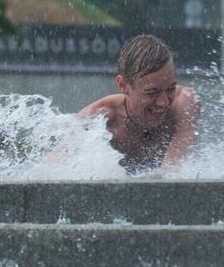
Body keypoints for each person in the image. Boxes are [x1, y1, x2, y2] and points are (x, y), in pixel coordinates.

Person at [75, 34, 200, 172]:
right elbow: (54, 171)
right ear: (123, 85)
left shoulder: (184, 102)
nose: (163, 103)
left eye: (170, 88)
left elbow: (172, 174)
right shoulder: (96, 119)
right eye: (152, 92)